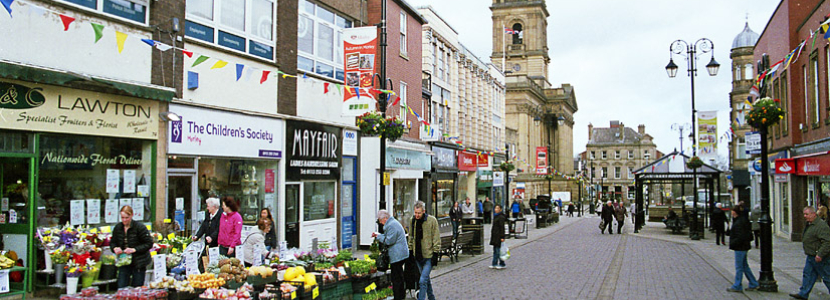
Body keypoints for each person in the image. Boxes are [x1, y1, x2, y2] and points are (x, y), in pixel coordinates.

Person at [790, 206, 830, 300]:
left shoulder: (821, 226)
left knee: (827, 276)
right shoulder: (809, 224)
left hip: (820, 257)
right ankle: (803, 293)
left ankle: (803, 293)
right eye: (804, 214)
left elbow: (827, 242)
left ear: (813, 214)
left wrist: (820, 254)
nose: (805, 216)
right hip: (811, 255)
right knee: (808, 275)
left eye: (807, 214)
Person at [111, 205, 154, 288]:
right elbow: (113, 242)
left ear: (131, 215)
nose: (124, 220)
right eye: (122, 217)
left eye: (126, 218)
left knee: (137, 287)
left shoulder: (139, 227)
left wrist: (134, 249)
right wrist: (115, 248)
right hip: (124, 260)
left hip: (139, 261)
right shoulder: (118, 228)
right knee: (121, 286)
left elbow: (149, 243)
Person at [373, 210, 409, 300]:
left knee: (396, 278)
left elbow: (389, 240)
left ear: (385, 218)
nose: (380, 223)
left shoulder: (391, 225)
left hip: (397, 255)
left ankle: (398, 296)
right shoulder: (393, 223)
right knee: (399, 276)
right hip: (401, 254)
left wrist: (378, 236)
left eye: (380, 220)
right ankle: (401, 295)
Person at [408, 201, 439, 300]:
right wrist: (410, 250)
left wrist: (435, 252)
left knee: (422, 281)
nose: (417, 215)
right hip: (417, 256)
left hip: (428, 256)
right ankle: (431, 297)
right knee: (425, 279)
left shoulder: (432, 221)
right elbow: (411, 236)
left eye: (419, 213)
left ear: (424, 211)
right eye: (415, 213)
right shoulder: (412, 220)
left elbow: (436, 237)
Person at [727, 204, 759, 293]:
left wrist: (733, 243)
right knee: (745, 266)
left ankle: (737, 285)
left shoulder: (739, 222)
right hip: (743, 246)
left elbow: (740, 236)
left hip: (740, 247)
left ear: (734, 212)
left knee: (739, 267)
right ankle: (753, 283)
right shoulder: (742, 220)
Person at [490, 204, 507, 269]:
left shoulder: (501, 217)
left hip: (498, 236)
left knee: (499, 251)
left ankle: (502, 263)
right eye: (495, 208)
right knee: (495, 250)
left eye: (497, 208)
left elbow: (502, 228)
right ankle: (494, 263)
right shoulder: (496, 216)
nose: (495, 210)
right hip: (495, 236)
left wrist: (502, 237)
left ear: (500, 209)